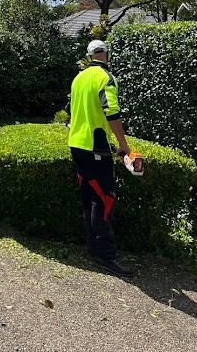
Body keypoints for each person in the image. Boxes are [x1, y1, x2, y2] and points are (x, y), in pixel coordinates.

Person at [65, 39, 134, 278]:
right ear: (107, 54)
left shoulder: (78, 78)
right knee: (104, 198)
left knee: (88, 196)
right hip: (95, 147)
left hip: (76, 144)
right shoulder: (106, 78)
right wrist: (123, 145)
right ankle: (105, 256)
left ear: (88, 55)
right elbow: (111, 112)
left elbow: (69, 111)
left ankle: (93, 250)